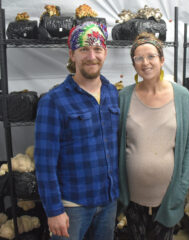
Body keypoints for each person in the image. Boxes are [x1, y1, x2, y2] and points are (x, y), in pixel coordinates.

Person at [34, 22, 119, 240]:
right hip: (72, 206)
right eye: (84, 49)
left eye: (97, 49)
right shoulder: (53, 101)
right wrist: (54, 211)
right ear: (72, 54)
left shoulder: (112, 93)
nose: (92, 56)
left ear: (105, 52)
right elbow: (44, 162)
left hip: (108, 202)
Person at [118, 32, 189, 240]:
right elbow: (116, 143)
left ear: (162, 60)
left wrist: (180, 190)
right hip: (132, 197)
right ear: (134, 64)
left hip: (168, 196)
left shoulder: (182, 96)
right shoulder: (124, 97)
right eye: (139, 58)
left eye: (151, 56)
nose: (146, 63)